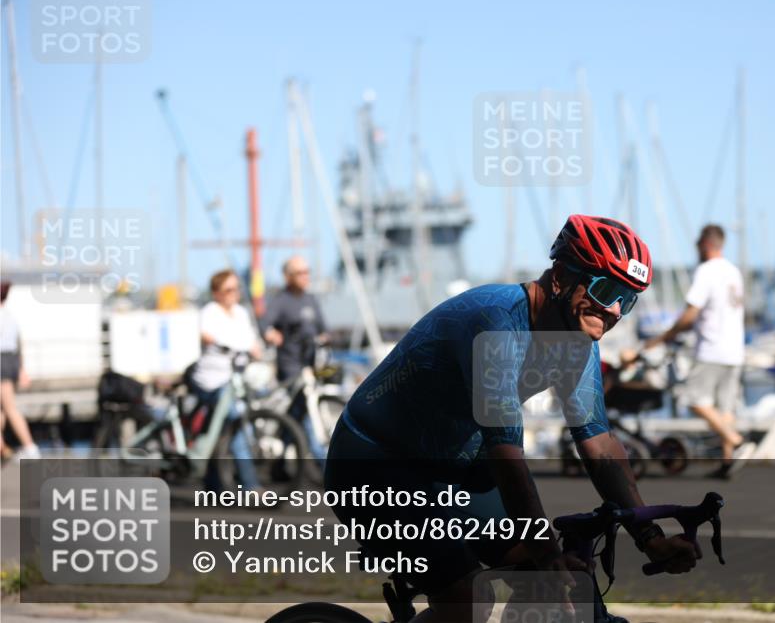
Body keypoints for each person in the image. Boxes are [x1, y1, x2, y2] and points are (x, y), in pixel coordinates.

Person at [326, 215, 700, 623]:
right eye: (605, 288)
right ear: (560, 277)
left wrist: (650, 537)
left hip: (455, 470)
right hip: (375, 466)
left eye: (627, 299)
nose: (613, 310)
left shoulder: (577, 341)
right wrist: (547, 553)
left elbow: (599, 446)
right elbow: (506, 456)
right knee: (469, 600)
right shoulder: (496, 324)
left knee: (554, 582)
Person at [630, 224, 753, 479]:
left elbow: (690, 314)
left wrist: (664, 337)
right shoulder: (733, 272)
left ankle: (736, 441)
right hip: (735, 351)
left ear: (705, 244)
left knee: (693, 400)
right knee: (724, 409)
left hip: (712, 349)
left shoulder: (706, 272)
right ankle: (728, 461)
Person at [190, 270, 262, 490]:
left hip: (235, 379)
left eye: (236, 288)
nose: (234, 293)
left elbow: (252, 341)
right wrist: (224, 343)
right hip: (211, 380)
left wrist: (256, 349)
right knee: (237, 424)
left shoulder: (241, 313)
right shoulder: (210, 312)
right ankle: (252, 487)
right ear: (216, 293)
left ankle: (212, 485)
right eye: (228, 289)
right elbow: (206, 334)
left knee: (223, 430)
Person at [260, 256, 329, 460]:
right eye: (300, 273)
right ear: (288, 276)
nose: (305, 276)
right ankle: (322, 461)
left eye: (307, 272)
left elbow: (323, 328)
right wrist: (271, 334)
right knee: (305, 410)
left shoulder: (310, 299)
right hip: (290, 365)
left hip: (310, 364)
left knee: (296, 414)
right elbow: (264, 324)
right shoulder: (281, 301)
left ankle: (280, 463)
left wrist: (324, 338)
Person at [0, 281, 40, 460]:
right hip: (10, 361)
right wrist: (22, 369)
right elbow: (18, 345)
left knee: (9, 408)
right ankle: (2, 447)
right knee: (3, 409)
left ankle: (30, 447)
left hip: (1, 360)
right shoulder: (9, 316)